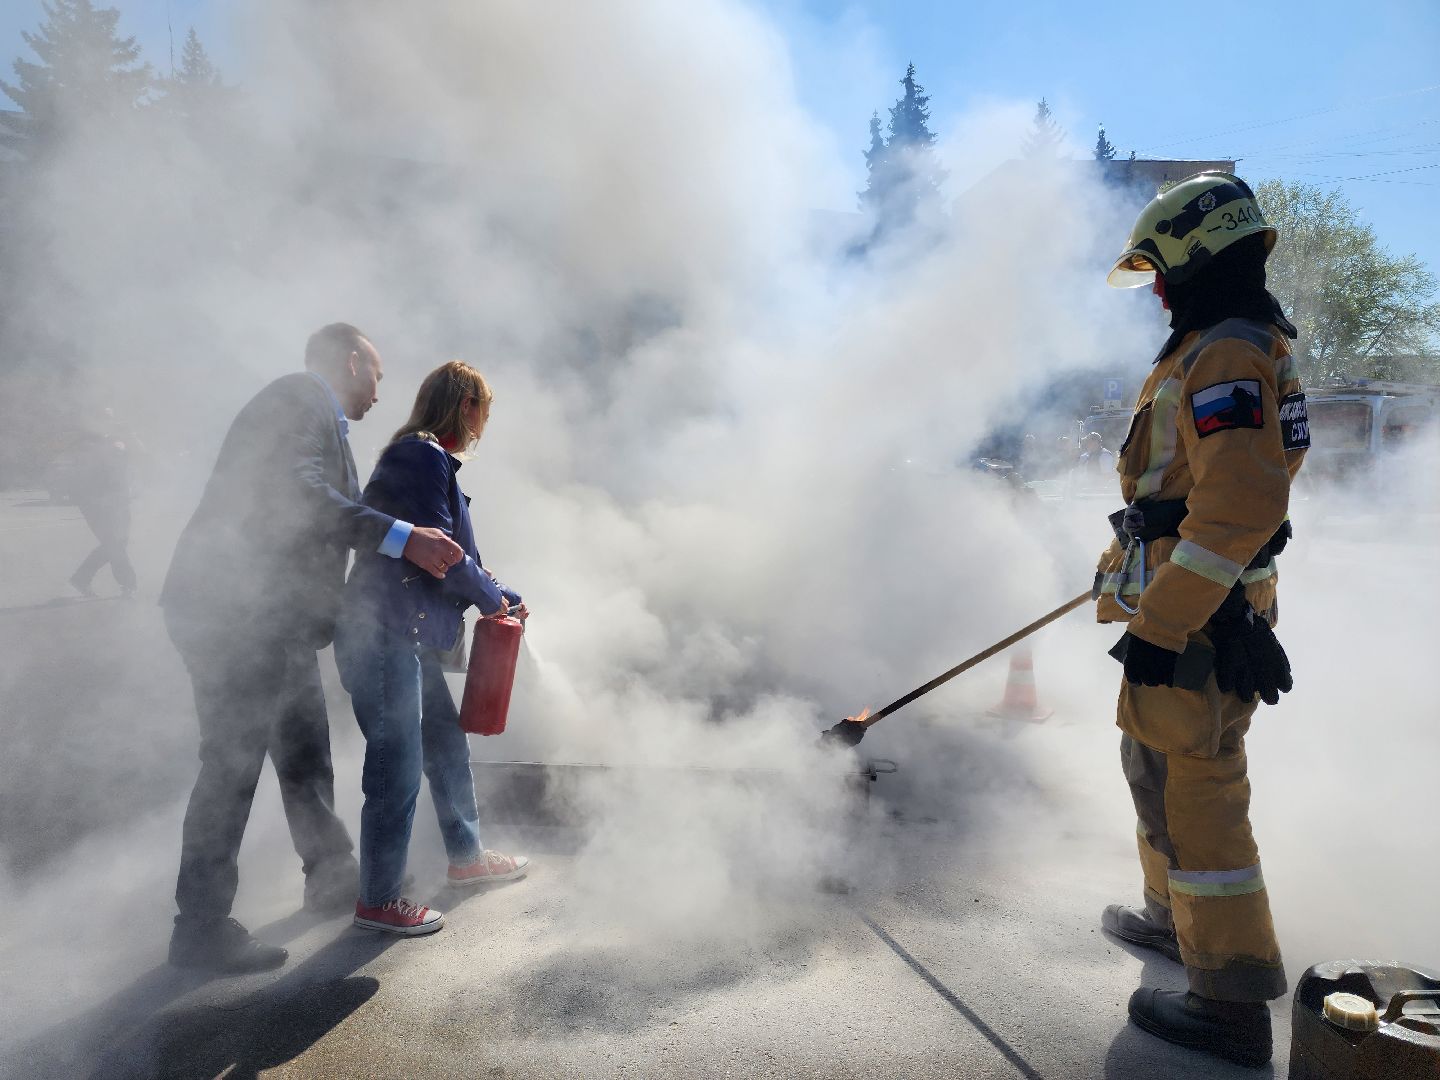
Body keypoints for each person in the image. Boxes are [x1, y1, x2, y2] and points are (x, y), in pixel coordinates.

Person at [161, 323, 464, 974]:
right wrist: (402, 536)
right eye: (378, 375)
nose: (381, 393)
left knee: (303, 750)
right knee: (232, 767)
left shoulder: (319, 419)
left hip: (275, 622)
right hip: (231, 616)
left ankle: (330, 877)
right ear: (352, 362)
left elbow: (319, 532)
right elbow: (301, 499)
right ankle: (200, 929)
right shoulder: (301, 398)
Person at [1093, 173, 1308, 1068]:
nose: (1154, 291)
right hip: (1180, 610)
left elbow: (1236, 511)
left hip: (1200, 619)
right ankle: (1174, 923)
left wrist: (1165, 624)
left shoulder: (1224, 355)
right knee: (1154, 760)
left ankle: (1230, 998)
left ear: (1194, 259)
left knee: (1203, 792)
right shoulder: (1209, 346)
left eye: (1161, 272)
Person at [334, 360, 529, 936]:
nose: (484, 421)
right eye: (484, 409)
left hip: (405, 636)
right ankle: (379, 900)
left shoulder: (426, 459)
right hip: (385, 633)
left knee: (444, 746)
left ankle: (466, 858)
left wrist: (502, 594)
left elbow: (463, 557)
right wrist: (493, 598)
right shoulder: (420, 455)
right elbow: (443, 554)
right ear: (466, 405)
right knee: (396, 766)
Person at [68, 411, 138, 598]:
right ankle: (128, 584)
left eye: (111, 417)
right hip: (98, 503)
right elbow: (90, 474)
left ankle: (81, 578)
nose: (112, 420)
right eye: (106, 418)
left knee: (118, 542)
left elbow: (139, 456)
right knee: (114, 543)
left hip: (119, 500)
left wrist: (128, 439)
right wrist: (116, 446)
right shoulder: (88, 444)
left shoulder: (116, 440)